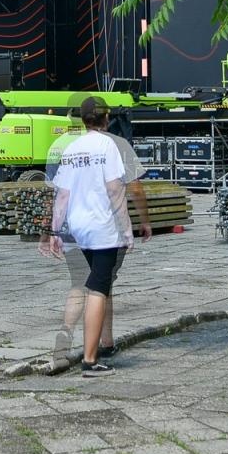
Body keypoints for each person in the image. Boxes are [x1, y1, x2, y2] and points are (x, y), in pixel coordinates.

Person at [44, 97, 151, 376]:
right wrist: (126, 228)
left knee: (92, 284)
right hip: (104, 228)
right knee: (98, 288)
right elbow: (116, 189)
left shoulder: (72, 148)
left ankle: (102, 342)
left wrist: (55, 230)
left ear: (82, 120)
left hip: (78, 227)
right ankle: (90, 360)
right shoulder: (110, 145)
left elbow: (62, 194)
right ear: (106, 119)